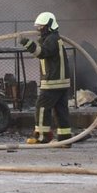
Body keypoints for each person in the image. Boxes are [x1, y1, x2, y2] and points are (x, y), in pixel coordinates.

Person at [20, 11, 72, 145]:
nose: (39, 29)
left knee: (42, 107)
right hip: (61, 82)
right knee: (61, 111)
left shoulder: (52, 40)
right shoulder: (54, 38)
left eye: (41, 26)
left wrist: (28, 44)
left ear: (48, 26)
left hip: (53, 82)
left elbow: (42, 53)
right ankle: (65, 139)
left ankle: (42, 136)